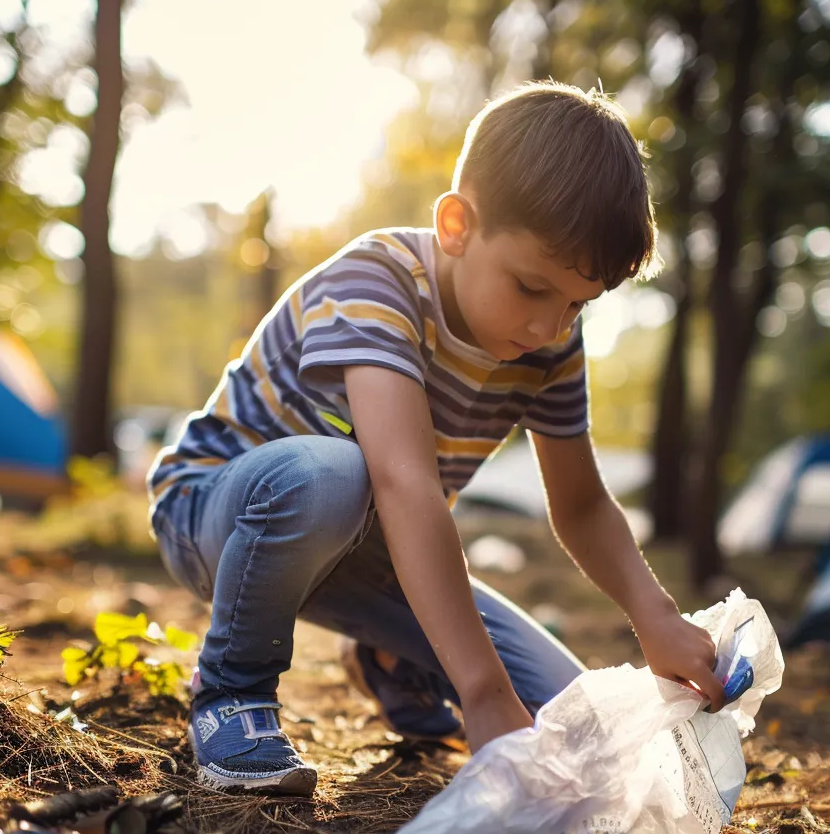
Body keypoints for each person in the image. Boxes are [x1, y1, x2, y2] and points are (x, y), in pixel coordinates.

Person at [147, 81, 724, 797]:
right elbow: (405, 484)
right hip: (219, 515)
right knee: (334, 473)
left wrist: (656, 617)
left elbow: (580, 505)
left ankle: (392, 660)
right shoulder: (379, 281)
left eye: (578, 304)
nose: (550, 326)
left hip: (368, 545)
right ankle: (232, 694)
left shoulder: (549, 346)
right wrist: (481, 692)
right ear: (456, 226)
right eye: (530, 287)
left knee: (577, 728)